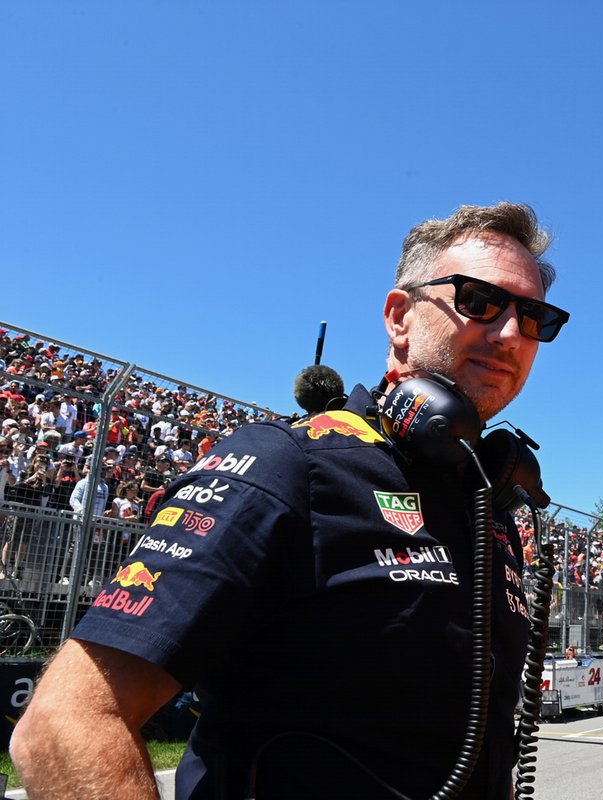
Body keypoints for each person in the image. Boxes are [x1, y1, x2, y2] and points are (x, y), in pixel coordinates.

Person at [11, 202, 569, 800]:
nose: (510, 333)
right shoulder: (289, 465)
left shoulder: (490, 504)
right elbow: (64, 723)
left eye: (534, 317)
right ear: (400, 316)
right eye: (478, 300)